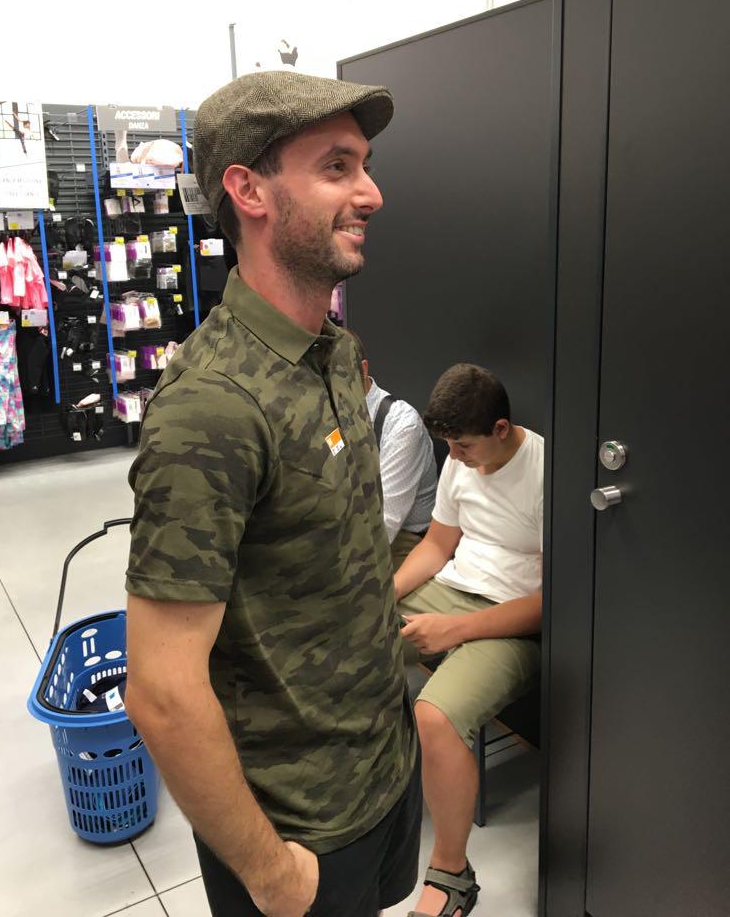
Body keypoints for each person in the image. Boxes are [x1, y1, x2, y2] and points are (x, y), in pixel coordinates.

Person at [124, 71, 420, 917]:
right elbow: (162, 692)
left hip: (380, 766)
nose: (371, 194)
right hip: (295, 826)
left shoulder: (333, 350)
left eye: (364, 166)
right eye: (336, 167)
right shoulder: (211, 407)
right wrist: (270, 873)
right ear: (249, 191)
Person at [395, 363, 543, 917]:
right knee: (350, 631)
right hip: (453, 591)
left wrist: (453, 630)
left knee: (434, 717)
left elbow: (555, 602)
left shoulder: (546, 470)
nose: (453, 458)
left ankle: (451, 874)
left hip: (512, 623)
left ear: (500, 429)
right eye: (449, 447)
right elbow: (437, 546)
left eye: (463, 447)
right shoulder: (461, 461)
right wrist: (383, 597)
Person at [344, 328, 437, 571]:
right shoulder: (328, 414)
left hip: (403, 539)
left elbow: (385, 523)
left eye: (336, 376)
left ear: (363, 370)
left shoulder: (402, 425)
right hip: (345, 528)